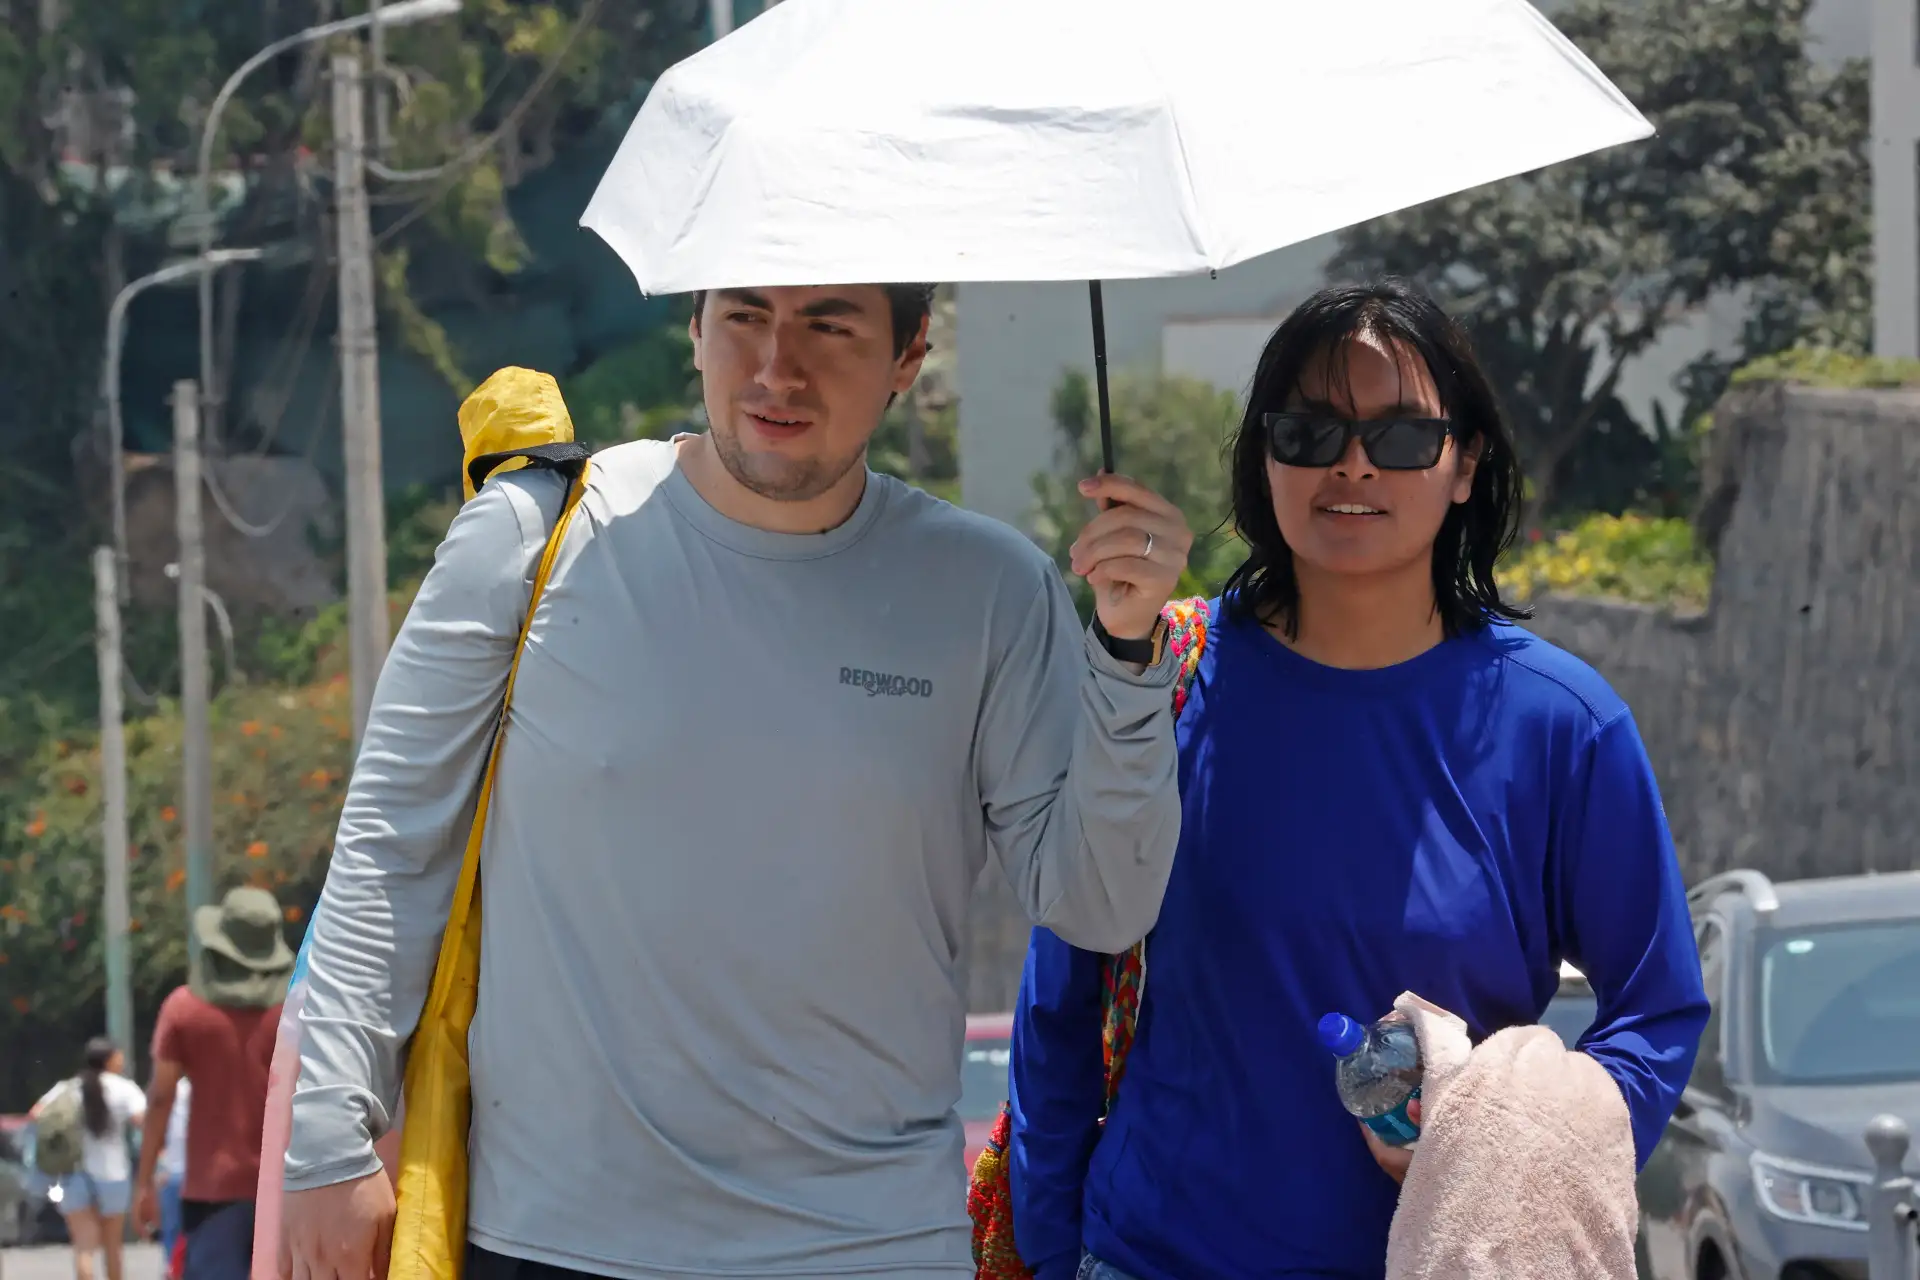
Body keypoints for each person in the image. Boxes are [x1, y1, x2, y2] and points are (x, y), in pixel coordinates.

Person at [278, 281, 1196, 1280]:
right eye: (745, 316)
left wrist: (1125, 652)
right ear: (696, 327)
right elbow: (387, 849)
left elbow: (1099, 903)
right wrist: (327, 1138)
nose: (775, 368)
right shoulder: (536, 536)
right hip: (551, 1238)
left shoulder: (990, 591)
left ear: (909, 352)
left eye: (829, 325)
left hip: (871, 1246)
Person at [1008, 279, 1711, 1280]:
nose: (1350, 462)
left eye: (1401, 437)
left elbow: (1658, 1009)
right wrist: (1047, 1254)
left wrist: (1519, 1153)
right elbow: (1061, 998)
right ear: (1264, 453)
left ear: (1465, 463)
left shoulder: (1564, 725)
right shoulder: (1157, 683)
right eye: (1309, 429)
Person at [135, 886, 292, 1280]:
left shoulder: (185, 1009)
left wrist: (144, 1183)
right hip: (290, 1188)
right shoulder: (297, 1007)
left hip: (213, 1190)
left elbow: (160, 1097)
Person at [30, 1038, 145, 1280]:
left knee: (84, 1248)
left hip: (75, 1174)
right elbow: (142, 1120)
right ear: (111, 1059)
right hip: (113, 1174)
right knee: (113, 1248)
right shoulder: (123, 1088)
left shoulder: (68, 1088)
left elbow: (36, 1114)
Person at [155, 1078, 191, 1274]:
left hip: (173, 1173)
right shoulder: (216, 1084)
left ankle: (173, 1270)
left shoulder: (170, 1087)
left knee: (172, 1230)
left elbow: (154, 1129)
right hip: (197, 1174)